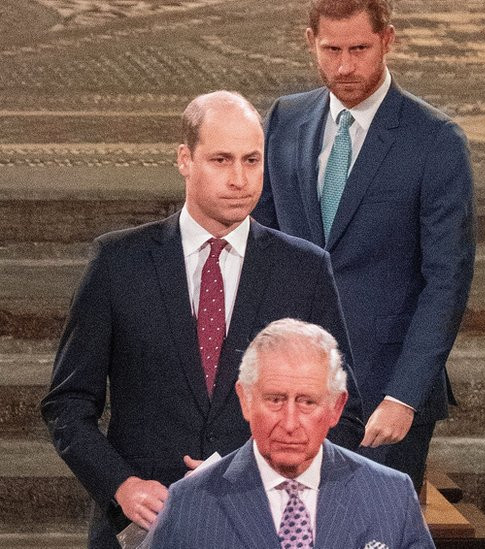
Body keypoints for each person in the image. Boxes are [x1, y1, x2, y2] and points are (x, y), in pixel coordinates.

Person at [40, 91, 364, 548]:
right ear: (184, 160)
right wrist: (121, 486)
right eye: (221, 160)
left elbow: (344, 414)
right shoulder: (118, 263)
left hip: (264, 528)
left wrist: (267, 478)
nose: (239, 179)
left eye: (252, 161)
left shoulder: (304, 270)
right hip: (139, 529)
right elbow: (67, 405)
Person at [254, 0, 475, 489]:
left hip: (386, 397)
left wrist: (404, 397)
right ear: (310, 41)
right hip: (292, 392)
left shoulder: (436, 140)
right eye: (332, 49)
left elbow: (447, 281)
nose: (345, 65)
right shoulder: (286, 120)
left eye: (360, 48)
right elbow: (260, 250)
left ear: (388, 40)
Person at [148, 319, 434, 548]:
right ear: (245, 400)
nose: (289, 422)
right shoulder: (190, 501)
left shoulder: (391, 495)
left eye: (307, 402)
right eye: (275, 400)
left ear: (336, 408)